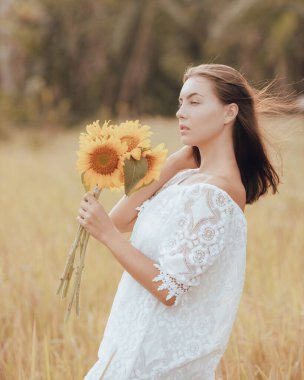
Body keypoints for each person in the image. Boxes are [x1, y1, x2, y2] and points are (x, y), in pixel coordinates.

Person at [77, 63, 284, 379]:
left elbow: (169, 288)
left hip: (160, 362)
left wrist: (107, 236)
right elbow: (119, 218)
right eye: (180, 102)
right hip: (130, 347)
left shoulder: (216, 195)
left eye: (195, 102)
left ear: (229, 113)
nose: (180, 112)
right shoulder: (188, 178)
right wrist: (175, 161)